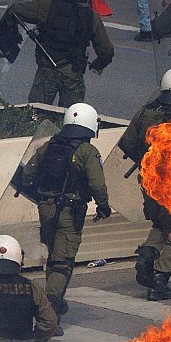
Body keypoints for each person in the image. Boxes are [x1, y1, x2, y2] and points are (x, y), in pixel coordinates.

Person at [16, 102, 111, 319]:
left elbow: (27, 175)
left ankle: (55, 300)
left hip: (46, 209)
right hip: (70, 212)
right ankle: (49, 312)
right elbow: (97, 183)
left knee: (53, 257)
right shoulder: (87, 151)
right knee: (62, 262)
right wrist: (103, 206)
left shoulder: (48, 146)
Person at [123, 67, 171, 300]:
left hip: (149, 180)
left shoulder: (147, 111)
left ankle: (146, 257)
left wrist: (147, 159)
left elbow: (127, 143)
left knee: (162, 224)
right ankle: (159, 280)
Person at [0, 0, 116, 105]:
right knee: (70, 118)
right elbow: (107, 50)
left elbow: (15, 10)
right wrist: (97, 65)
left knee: (36, 114)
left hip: (47, 72)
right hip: (73, 75)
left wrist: (12, 35)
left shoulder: (45, 5)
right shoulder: (91, 17)